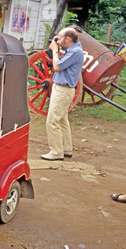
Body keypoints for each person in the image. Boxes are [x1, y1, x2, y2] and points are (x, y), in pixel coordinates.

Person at [41, 27, 84, 161]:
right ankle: (66, 149)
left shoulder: (75, 52)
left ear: (68, 39)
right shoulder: (73, 50)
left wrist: (55, 51)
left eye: (60, 38)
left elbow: (57, 67)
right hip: (64, 89)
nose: (58, 41)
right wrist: (57, 49)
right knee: (62, 120)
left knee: (52, 121)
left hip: (63, 90)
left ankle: (56, 152)